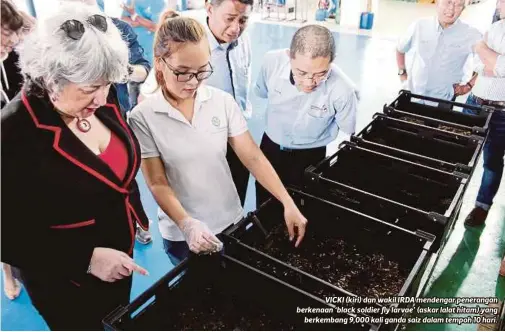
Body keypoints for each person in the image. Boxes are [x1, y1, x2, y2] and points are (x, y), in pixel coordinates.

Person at [1, 3, 150, 329]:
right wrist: (85, 259)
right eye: (90, 89)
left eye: (107, 85)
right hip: (67, 281)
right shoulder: (12, 133)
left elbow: (115, 174)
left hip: (120, 258)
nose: (103, 98)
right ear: (51, 79)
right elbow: (6, 232)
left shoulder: (98, 92)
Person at [128, 12, 307, 266]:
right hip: (182, 235)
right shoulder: (143, 117)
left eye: (202, 71)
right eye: (182, 72)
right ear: (160, 63)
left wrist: (286, 201)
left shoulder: (221, 102)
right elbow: (157, 182)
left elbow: (252, 156)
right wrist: (187, 224)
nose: (193, 82)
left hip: (230, 220)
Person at [142, 0, 254, 207]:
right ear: (210, 8)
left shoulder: (243, 40)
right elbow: (148, 96)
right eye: (229, 18)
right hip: (202, 148)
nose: (236, 28)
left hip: (236, 140)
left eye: (243, 20)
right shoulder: (189, 44)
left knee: (235, 203)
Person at [70, 0, 154, 244]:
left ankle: (137, 221)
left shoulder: (118, 30)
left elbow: (143, 69)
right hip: (75, 117)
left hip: (113, 114)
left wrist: (123, 70)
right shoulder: (62, 36)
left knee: (123, 172)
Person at [254, 25, 357, 206]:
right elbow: (261, 92)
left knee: (306, 207)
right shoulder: (271, 62)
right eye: (301, 73)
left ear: (332, 61)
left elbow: (349, 131)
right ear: (289, 55)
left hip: (311, 157)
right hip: (270, 148)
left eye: (321, 74)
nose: (310, 82)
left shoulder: (343, 90)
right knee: (264, 204)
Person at [1, 0, 35, 301]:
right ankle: (8, 271)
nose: (10, 40)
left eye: (12, 34)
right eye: (3, 33)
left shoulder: (12, 57)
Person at [463, 0, 505, 227]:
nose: (500, 4)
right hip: (475, 102)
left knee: (492, 160)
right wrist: (469, 85)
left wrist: (482, 48)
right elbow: (483, 66)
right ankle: (445, 196)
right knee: (458, 150)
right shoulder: (496, 28)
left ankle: (482, 206)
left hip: (501, 112)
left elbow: (500, 67)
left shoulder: (490, 34)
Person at [396, 0, 482, 102]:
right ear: (437, 3)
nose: (451, 9)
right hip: (412, 94)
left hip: (444, 99)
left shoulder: (471, 34)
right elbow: (400, 48)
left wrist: (469, 85)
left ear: (463, 9)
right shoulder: (419, 25)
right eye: (448, 2)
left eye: (458, 5)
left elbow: (486, 64)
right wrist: (402, 73)